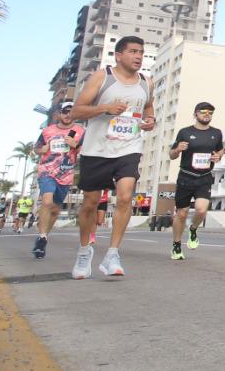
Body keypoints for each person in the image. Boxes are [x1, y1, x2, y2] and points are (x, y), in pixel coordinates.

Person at [70, 36, 155, 279]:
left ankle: (112, 254)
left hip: (128, 148)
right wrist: (103, 108)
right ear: (118, 55)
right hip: (96, 149)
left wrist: (150, 121)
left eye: (141, 52)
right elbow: (77, 110)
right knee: (90, 203)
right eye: (133, 51)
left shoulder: (146, 82)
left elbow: (149, 108)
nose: (138, 56)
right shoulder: (102, 77)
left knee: (126, 196)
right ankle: (84, 251)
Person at [169, 101, 225, 260]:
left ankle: (193, 229)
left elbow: (220, 150)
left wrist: (219, 156)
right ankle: (176, 245)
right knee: (182, 213)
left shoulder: (216, 133)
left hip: (204, 177)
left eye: (210, 112)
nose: (207, 114)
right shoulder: (185, 132)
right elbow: (172, 155)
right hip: (186, 177)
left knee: (201, 209)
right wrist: (178, 149)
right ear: (196, 114)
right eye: (203, 111)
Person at [33, 102, 82, 258]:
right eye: (65, 112)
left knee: (54, 209)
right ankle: (41, 237)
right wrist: (43, 149)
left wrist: (75, 145)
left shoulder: (79, 131)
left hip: (65, 174)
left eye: (71, 112)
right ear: (59, 114)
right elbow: (36, 148)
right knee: (47, 202)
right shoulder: (48, 131)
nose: (68, 115)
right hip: (47, 171)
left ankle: (44, 236)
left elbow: (86, 149)